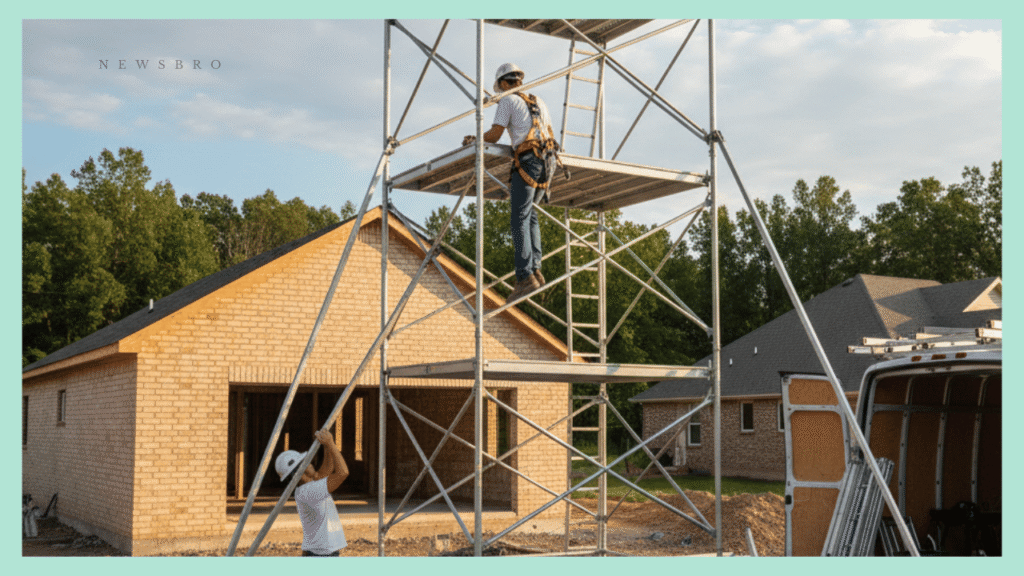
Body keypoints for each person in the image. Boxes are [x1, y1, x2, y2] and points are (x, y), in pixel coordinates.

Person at [462, 63, 559, 302]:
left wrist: (475, 140)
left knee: (519, 217)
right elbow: (549, 132)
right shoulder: (539, 101)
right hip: (549, 161)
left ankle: (525, 276)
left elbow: (494, 135)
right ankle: (535, 270)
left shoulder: (508, 101)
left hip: (529, 159)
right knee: (531, 214)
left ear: (505, 84)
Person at [275, 429, 350, 556]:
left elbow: (325, 471)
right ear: (301, 471)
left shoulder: (304, 489)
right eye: (307, 462)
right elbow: (343, 473)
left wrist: (327, 446)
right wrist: (330, 444)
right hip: (321, 555)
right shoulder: (310, 492)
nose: (310, 464)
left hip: (317, 552)